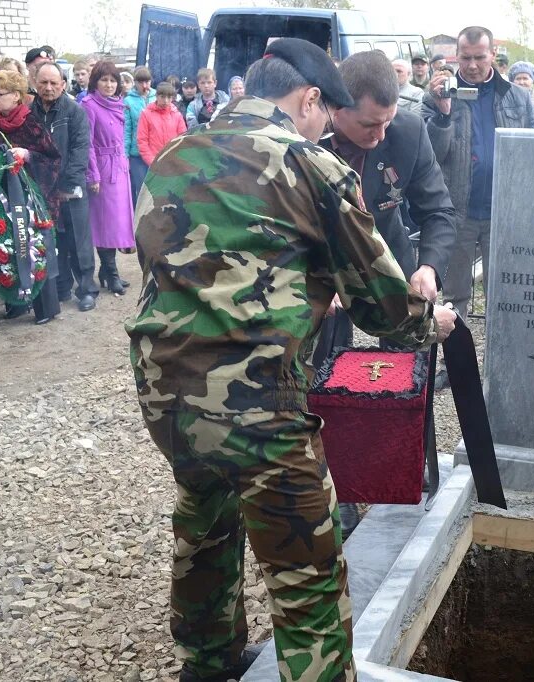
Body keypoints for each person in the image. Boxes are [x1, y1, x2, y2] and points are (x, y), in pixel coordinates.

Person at [125, 36, 456, 682]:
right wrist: (430, 324)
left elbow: (167, 269)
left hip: (165, 393)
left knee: (205, 527)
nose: (323, 124)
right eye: (322, 110)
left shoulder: (172, 156)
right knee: (305, 575)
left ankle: (207, 663)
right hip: (256, 401)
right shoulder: (309, 165)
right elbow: (380, 304)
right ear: (307, 99)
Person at [316, 50, 456, 537]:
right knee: (325, 380)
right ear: (337, 108)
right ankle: (340, 490)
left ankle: (410, 467)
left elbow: (438, 211)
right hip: (325, 272)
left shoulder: (408, 132)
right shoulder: (304, 138)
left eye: (386, 124)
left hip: (391, 263)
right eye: (369, 126)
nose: (379, 137)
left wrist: (429, 267)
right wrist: (319, 280)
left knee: (410, 366)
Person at [421, 25, 534, 388]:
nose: (471, 65)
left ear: (492, 57)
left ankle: (503, 364)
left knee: (505, 291)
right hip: (457, 211)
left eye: (479, 57)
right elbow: (430, 155)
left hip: (504, 211)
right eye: (465, 57)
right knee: (455, 293)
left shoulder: (517, 98)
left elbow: (533, 153)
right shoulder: (439, 96)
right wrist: (442, 113)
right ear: (457, 56)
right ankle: (456, 366)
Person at [0, 69, 61, 325]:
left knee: (35, 247)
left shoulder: (30, 123)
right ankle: (15, 302)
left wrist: (28, 155)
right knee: (9, 249)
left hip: (29, 200)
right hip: (2, 199)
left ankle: (46, 306)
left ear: (16, 96)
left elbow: (53, 158)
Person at [31, 62, 99, 311]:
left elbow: (81, 150)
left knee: (78, 239)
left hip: (71, 187)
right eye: (43, 82)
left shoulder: (74, 111)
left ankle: (87, 290)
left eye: (53, 83)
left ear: (63, 85)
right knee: (53, 239)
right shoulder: (30, 112)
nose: (48, 88)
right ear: (35, 83)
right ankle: (61, 288)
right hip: (42, 189)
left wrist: (67, 185)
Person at [81, 60, 134, 295]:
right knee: (105, 223)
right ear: (95, 81)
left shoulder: (118, 104)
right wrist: (93, 174)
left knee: (118, 222)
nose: (109, 84)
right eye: (104, 79)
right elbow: (88, 144)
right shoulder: (89, 105)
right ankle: (110, 273)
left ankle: (108, 270)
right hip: (102, 169)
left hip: (119, 168)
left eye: (113, 80)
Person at [124, 66, 155, 204]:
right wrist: (125, 155)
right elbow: (126, 130)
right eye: (140, 82)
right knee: (140, 189)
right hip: (137, 154)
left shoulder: (158, 96)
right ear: (134, 82)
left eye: (147, 81)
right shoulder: (128, 101)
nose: (144, 85)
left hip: (156, 151)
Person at [136, 81, 186, 166]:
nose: (166, 101)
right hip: (154, 163)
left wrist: (178, 159)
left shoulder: (177, 115)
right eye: (162, 97)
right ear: (156, 96)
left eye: (169, 97)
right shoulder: (146, 114)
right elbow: (142, 140)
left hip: (173, 162)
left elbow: (182, 139)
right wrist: (152, 161)